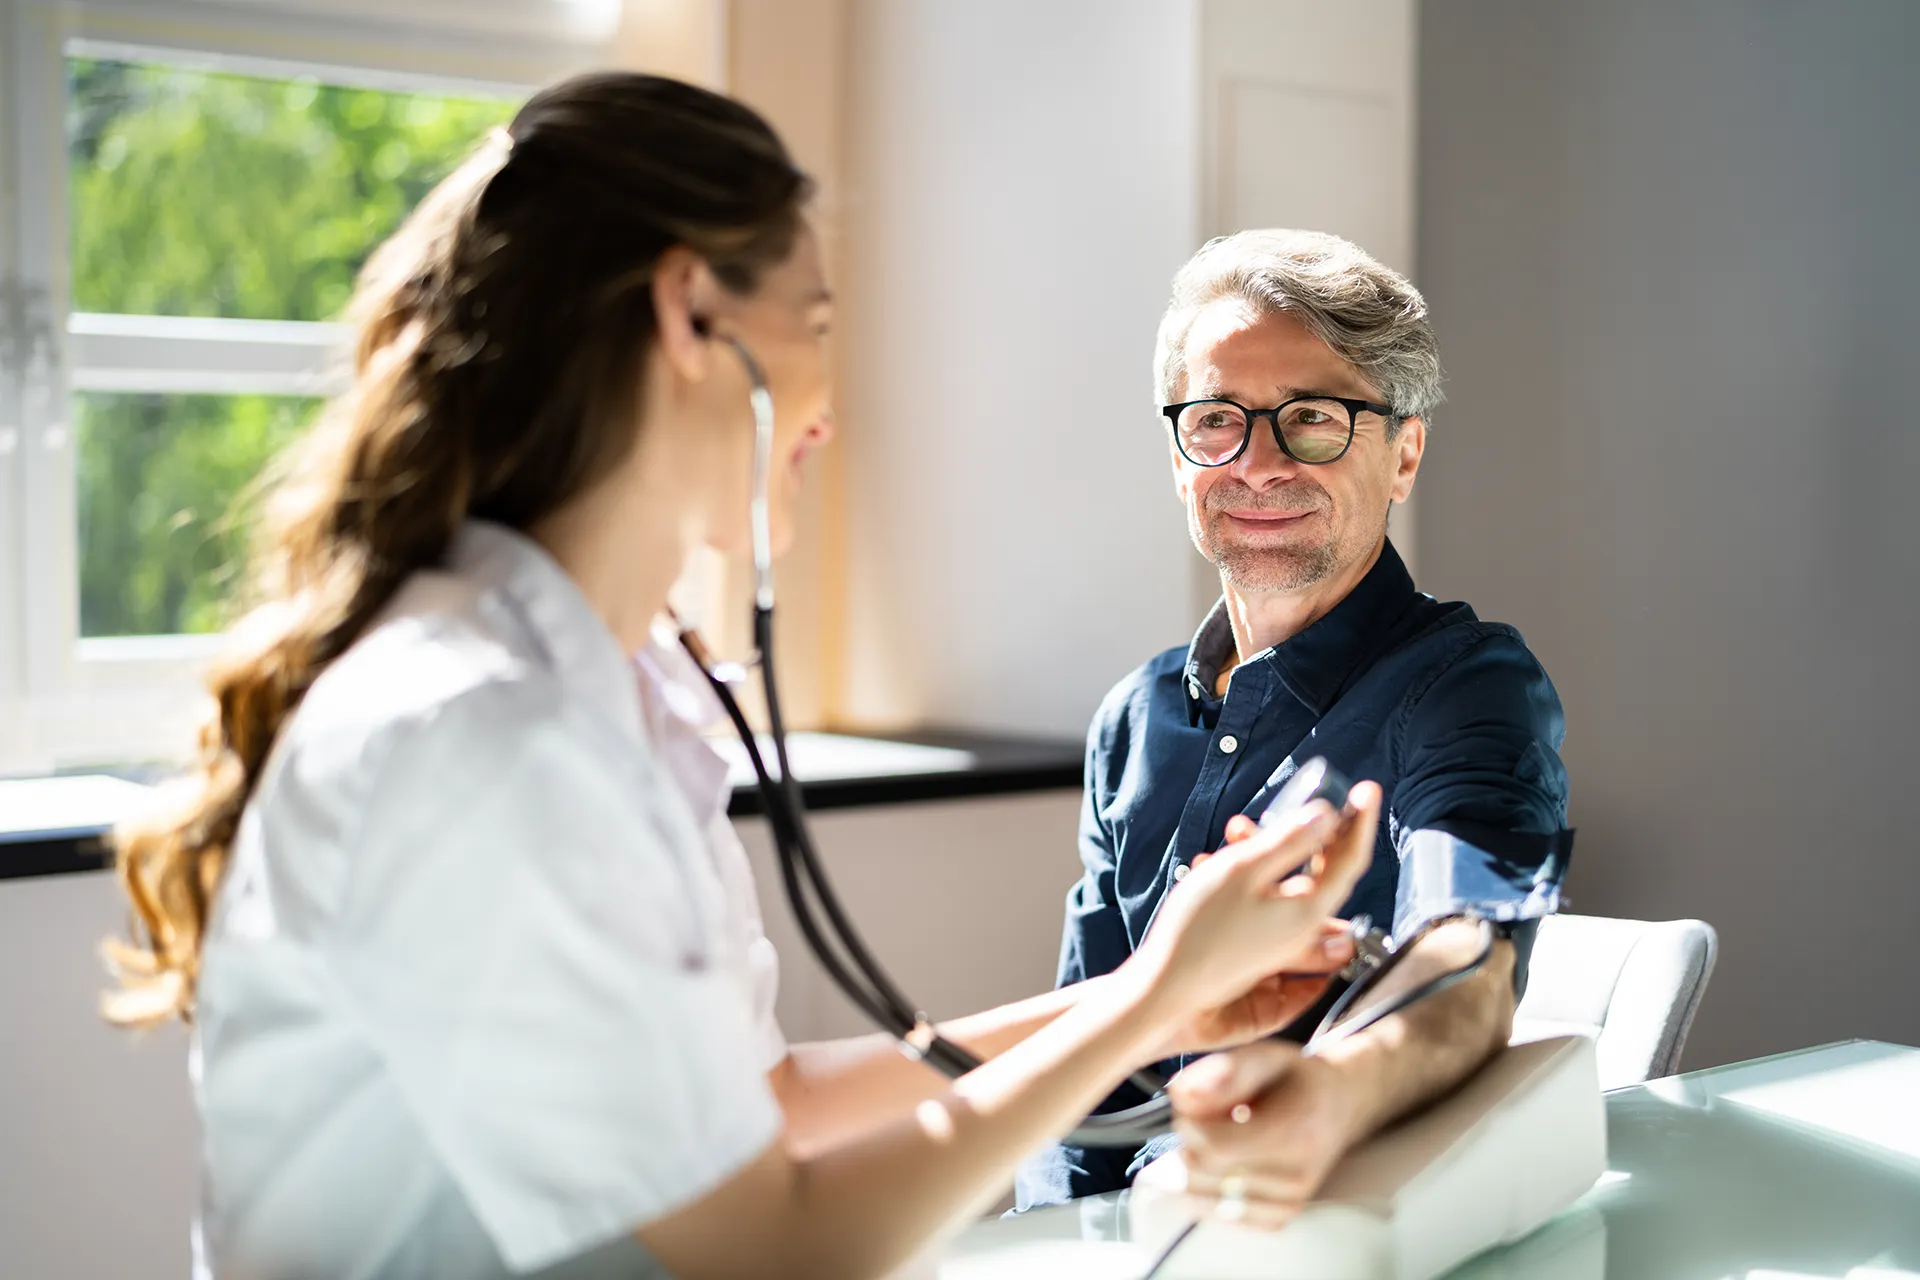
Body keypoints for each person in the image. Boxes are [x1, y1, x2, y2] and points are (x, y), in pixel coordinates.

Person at [104, 75, 1382, 1280]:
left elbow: (763, 1108)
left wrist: (1152, 1004)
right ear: (687, 312)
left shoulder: (617, 685)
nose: (829, 403)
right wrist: (1151, 994)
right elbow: (776, 1243)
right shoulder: (486, 730)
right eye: (815, 326)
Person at [1015, 229, 1574, 1219]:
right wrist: (1041, 1235)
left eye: (1312, 418)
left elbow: (1468, 954)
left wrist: (1336, 1088)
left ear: (1405, 452)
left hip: (1299, 1235)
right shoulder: (1134, 719)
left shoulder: (1467, 687)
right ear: (1179, 453)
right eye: (1218, 419)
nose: (1258, 463)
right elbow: (1084, 1056)